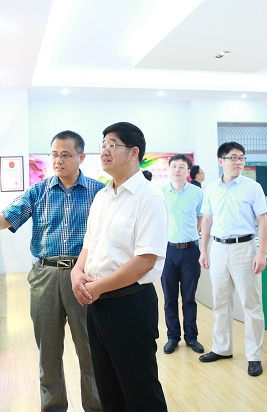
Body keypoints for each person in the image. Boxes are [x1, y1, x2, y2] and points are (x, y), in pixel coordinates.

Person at [0, 130, 104, 412]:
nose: (58, 160)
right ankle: (53, 407)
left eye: (66, 155)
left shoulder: (98, 193)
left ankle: (97, 407)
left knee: (90, 350)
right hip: (45, 276)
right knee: (48, 351)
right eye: (54, 154)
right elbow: (5, 220)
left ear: (81, 157)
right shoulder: (39, 191)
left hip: (84, 276)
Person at [71, 122, 168, 412]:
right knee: (108, 391)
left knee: (141, 392)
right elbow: (89, 244)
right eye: (103, 145)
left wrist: (97, 287)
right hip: (97, 305)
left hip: (130, 305)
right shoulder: (102, 197)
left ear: (134, 152)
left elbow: (145, 260)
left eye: (112, 145)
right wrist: (77, 273)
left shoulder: (149, 197)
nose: (104, 151)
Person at [198, 141, 267, 378]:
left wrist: (261, 253)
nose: (239, 162)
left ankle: (254, 356)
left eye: (241, 158)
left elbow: (262, 222)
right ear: (221, 161)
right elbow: (207, 220)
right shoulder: (211, 188)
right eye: (233, 158)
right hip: (218, 248)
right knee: (220, 302)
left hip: (244, 248)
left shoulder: (252, 187)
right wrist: (204, 250)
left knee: (251, 304)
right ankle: (222, 348)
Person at [160, 154, 205, 355]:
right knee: (169, 298)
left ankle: (191, 337)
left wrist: (192, 234)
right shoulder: (160, 193)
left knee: (189, 298)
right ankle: (173, 337)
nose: (177, 170)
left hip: (190, 251)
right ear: (169, 169)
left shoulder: (197, 193)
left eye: (181, 167)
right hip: (167, 251)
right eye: (174, 166)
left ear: (188, 171)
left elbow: (201, 218)